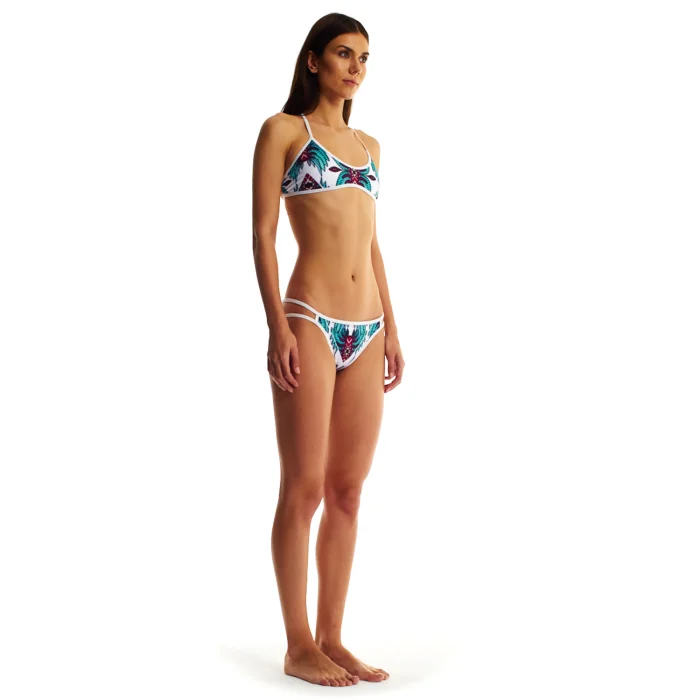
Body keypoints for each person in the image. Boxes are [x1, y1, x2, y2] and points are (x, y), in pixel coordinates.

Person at [251, 12, 405, 687]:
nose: (355, 68)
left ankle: (333, 637)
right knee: (304, 487)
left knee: (346, 491)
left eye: (364, 58)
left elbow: (371, 242)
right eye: (344, 54)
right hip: (309, 319)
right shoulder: (285, 132)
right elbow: (262, 234)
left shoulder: (370, 147)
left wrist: (392, 328)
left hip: (367, 327)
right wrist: (276, 327)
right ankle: (297, 645)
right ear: (313, 60)